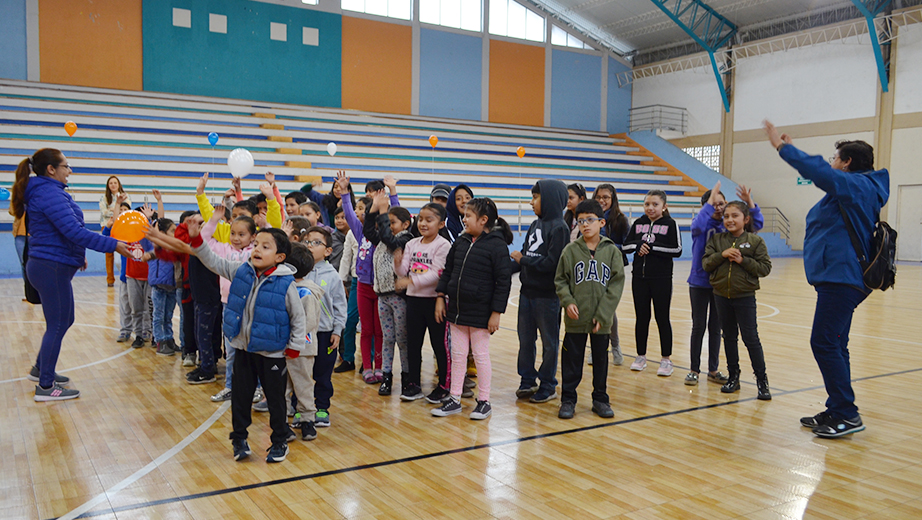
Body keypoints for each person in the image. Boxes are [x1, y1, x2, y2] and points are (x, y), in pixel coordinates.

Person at [764, 120, 889, 438]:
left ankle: (847, 412)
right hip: (837, 276)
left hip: (843, 277)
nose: (832, 162)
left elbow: (821, 173)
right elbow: (822, 175)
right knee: (835, 342)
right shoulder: (853, 189)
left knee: (822, 340)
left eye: (836, 158)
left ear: (846, 163)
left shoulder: (857, 186)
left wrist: (783, 148)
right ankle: (838, 407)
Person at [11, 149, 131, 401]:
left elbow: (65, 232)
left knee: (64, 319)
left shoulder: (48, 191)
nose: (70, 170)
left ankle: (40, 369)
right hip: (50, 267)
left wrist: (77, 254)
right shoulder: (48, 193)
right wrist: (114, 244)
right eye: (66, 166)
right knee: (58, 323)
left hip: (52, 264)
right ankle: (45, 386)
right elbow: (74, 231)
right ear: (51, 170)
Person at [181, 226, 306, 463]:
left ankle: (279, 440)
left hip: (272, 353)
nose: (257, 249)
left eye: (265, 246)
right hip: (243, 349)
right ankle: (239, 438)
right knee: (240, 397)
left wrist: (294, 346)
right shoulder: (240, 271)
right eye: (256, 244)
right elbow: (211, 260)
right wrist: (198, 239)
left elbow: (298, 318)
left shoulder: (286, 284)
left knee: (275, 400)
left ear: (279, 258)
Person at [432, 198, 512, 420]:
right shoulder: (461, 241)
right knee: (457, 356)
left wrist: (496, 312)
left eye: (468, 215)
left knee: (480, 356)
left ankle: (484, 401)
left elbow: (503, 282)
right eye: (464, 215)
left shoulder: (497, 246)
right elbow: (448, 271)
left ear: (483, 220)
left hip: (481, 314)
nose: (464, 219)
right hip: (457, 311)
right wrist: (440, 296)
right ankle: (454, 398)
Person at [686, 181, 764, 386]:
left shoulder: (726, 226)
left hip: (720, 285)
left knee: (716, 328)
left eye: (722, 203)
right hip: (699, 282)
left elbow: (757, 224)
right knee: (698, 325)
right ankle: (694, 369)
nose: (720, 208)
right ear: (707, 207)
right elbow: (696, 226)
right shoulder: (702, 225)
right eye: (715, 204)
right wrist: (709, 202)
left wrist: (749, 202)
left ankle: (713, 368)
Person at [555, 200, 625, 419]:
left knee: (601, 362)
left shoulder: (612, 252)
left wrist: (604, 315)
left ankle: (600, 399)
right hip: (576, 319)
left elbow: (616, 285)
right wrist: (568, 301)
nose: (585, 225)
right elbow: (560, 281)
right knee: (571, 361)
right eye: (581, 221)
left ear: (601, 222)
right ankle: (568, 400)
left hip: (600, 321)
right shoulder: (570, 251)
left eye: (590, 220)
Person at [701, 201, 772, 400]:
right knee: (729, 337)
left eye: (735, 216)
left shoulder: (755, 241)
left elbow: (765, 268)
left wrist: (743, 261)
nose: (730, 220)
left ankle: (762, 381)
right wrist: (722, 255)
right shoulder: (717, 240)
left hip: (745, 297)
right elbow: (706, 263)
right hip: (721, 296)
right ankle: (733, 377)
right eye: (726, 216)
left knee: (751, 339)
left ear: (746, 219)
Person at [337, 171, 399, 383]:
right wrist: (345, 192)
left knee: (380, 331)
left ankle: (380, 366)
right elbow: (349, 215)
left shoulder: (387, 234)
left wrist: (392, 192)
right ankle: (367, 367)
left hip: (382, 289)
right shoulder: (360, 231)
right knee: (365, 330)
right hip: (363, 286)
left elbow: (397, 215)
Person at [511, 180, 569, 404]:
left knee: (549, 342)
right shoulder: (535, 225)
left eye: (535, 197)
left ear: (551, 199)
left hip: (547, 296)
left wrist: (522, 259)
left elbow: (553, 264)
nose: (531, 202)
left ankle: (548, 384)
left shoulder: (560, 228)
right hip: (527, 293)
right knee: (525, 339)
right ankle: (527, 380)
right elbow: (525, 257)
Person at [622, 190, 682, 376]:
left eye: (655, 204)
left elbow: (677, 249)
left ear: (664, 206)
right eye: (647, 204)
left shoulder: (670, 224)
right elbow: (626, 246)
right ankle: (641, 356)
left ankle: (666, 359)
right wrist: (638, 245)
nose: (650, 208)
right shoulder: (638, 223)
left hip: (661, 279)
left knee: (662, 318)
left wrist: (652, 248)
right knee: (642, 318)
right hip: (639, 279)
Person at [397, 203, 451, 401]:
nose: (423, 223)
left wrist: (410, 280)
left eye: (429, 219)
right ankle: (413, 383)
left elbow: (437, 274)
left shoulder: (443, 245)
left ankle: (444, 385)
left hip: (434, 302)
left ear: (442, 224)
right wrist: (397, 264)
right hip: (413, 300)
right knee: (413, 344)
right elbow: (404, 270)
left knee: (439, 345)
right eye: (420, 219)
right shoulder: (412, 244)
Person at [365, 195, 414, 396]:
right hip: (383, 296)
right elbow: (369, 231)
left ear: (406, 224)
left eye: (393, 222)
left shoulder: (405, 240)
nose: (389, 226)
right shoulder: (385, 238)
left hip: (398, 297)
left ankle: (406, 377)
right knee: (387, 338)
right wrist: (374, 210)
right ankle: (386, 376)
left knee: (402, 340)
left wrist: (384, 212)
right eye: (388, 222)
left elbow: (388, 238)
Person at [302, 226, 348, 428]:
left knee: (322, 374)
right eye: (307, 241)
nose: (310, 245)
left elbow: (340, 307)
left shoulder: (333, 276)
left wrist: (337, 330)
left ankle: (321, 407)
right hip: (302, 333)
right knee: (301, 373)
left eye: (316, 242)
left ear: (328, 251)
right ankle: (301, 408)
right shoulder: (298, 273)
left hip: (325, 334)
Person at [286, 242, 322, 442]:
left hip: (302, 348)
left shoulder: (306, 292)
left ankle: (308, 420)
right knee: (281, 388)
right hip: (282, 348)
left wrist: (291, 338)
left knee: (303, 386)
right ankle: (281, 423)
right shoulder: (284, 288)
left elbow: (308, 323)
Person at [592, 183, 629, 366]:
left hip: (612, 268)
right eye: (599, 197)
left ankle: (614, 345)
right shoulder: (590, 218)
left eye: (606, 197)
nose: (602, 200)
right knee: (593, 307)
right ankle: (596, 348)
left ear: (613, 199)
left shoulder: (620, 219)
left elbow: (628, 245)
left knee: (608, 308)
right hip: (593, 268)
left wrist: (609, 247)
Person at [334, 197, 370, 374]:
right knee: (349, 320)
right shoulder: (351, 233)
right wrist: (341, 280)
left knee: (369, 324)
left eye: (361, 208)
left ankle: (368, 361)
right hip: (356, 282)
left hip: (372, 282)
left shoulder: (376, 232)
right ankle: (348, 358)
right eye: (356, 208)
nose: (357, 211)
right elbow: (346, 257)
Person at [100, 175, 130, 287]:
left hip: (123, 227)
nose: (113, 185)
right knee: (109, 254)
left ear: (119, 184)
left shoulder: (126, 196)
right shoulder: (104, 198)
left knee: (123, 254)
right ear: (108, 185)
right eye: (111, 183)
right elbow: (104, 213)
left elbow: (127, 209)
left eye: (115, 183)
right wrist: (113, 212)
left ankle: (125, 274)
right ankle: (110, 279)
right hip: (107, 226)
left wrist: (113, 210)